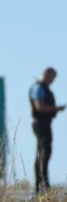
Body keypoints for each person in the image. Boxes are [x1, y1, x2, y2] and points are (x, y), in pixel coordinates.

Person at [30, 67, 66, 195]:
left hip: (46, 124)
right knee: (43, 153)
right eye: (52, 77)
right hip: (41, 124)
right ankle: (41, 185)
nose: (52, 81)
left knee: (45, 153)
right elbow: (39, 107)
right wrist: (56, 108)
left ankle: (43, 184)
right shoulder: (38, 88)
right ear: (46, 74)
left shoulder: (44, 88)